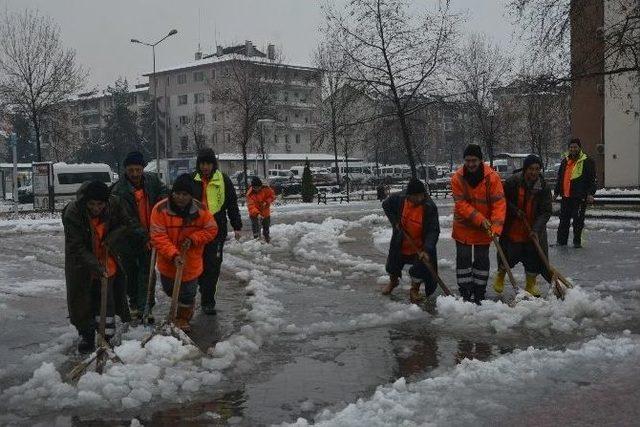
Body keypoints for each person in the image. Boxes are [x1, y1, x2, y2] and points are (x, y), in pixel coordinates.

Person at [62, 181, 132, 353]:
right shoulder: (73, 212)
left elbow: (126, 223)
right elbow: (76, 246)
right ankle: (87, 336)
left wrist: (111, 238)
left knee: (106, 299)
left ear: (106, 202)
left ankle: (107, 337)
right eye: (91, 204)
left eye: (100, 204)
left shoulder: (114, 204)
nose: (95, 208)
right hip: (81, 264)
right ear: (85, 201)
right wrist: (95, 266)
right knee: (82, 301)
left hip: (107, 258)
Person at [149, 174, 218, 332]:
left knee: (187, 293)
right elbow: (158, 236)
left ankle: (182, 318)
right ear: (172, 193)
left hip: (191, 261)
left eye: (185, 194)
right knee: (170, 289)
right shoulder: (160, 209)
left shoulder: (200, 210)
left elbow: (211, 229)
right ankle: (180, 308)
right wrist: (173, 254)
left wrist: (194, 239)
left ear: (191, 196)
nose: (180, 197)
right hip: (168, 261)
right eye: (177, 193)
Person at [110, 151, 168, 322]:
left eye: (138, 169)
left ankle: (146, 308)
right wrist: (146, 236)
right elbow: (128, 221)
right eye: (131, 170)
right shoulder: (118, 190)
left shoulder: (151, 180)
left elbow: (164, 191)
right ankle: (134, 305)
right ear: (125, 170)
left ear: (143, 168)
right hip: (127, 238)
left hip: (149, 235)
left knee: (147, 273)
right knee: (130, 273)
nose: (135, 174)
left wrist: (161, 203)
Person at [451, 144, 506, 304]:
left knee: (482, 260)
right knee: (463, 259)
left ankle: (479, 291)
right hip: (464, 226)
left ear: (481, 160)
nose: (471, 164)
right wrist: (481, 220)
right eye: (467, 160)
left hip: (486, 228)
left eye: (474, 160)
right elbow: (460, 205)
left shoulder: (492, 177)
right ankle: (465, 291)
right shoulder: (457, 178)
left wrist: (496, 228)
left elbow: (499, 204)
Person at [493, 155, 552, 298]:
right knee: (509, 255)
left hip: (532, 229)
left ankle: (530, 284)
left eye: (537, 169)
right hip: (514, 228)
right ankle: (501, 275)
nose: (534, 172)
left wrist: (536, 230)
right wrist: (514, 210)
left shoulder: (543, 186)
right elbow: (502, 200)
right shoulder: (513, 182)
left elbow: (546, 211)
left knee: (532, 257)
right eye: (531, 169)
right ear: (525, 169)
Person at [192, 148, 242, 315]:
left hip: (216, 230)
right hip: (196, 231)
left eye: (208, 163)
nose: (205, 167)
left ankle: (208, 300)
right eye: (202, 163)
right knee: (198, 265)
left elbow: (232, 204)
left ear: (213, 164)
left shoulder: (223, 180)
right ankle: (202, 287)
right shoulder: (192, 180)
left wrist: (237, 225)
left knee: (213, 266)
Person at [381, 178, 440, 303]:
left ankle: (414, 290)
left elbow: (433, 231)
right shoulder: (399, 199)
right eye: (415, 196)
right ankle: (393, 282)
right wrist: (395, 221)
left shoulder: (429, 206)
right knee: (393, 264)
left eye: (421, 195)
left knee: (420, 268)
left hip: (420, 245)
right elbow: (385, 205)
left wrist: (427, 249)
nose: (419, 199)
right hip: (401, 240)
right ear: (408, 195)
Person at [554, 138, 597, 248]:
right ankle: (561, 242)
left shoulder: (587, 161)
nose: (573, 149)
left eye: (575, 147)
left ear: (579, 148)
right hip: (566, 197)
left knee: (578, 221)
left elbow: (593, 179)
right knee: (563, 220)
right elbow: (560, 178)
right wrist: (556, 192)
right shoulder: (565, 161)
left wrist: (590, 193)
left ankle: (577, 242)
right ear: (569, 148)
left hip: (579, 198)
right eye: (571, 147)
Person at [247, 177, 276, 242]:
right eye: (254, 188)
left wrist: (266, 201)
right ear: (252, 187)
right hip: (254, 214)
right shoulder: (250, 194)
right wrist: (257, 214)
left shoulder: (266, 189)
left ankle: (266, 238)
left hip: (265, 212)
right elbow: (251, 206)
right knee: (255, 227)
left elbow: (272, 196)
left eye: (258, 187)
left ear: (261, 186)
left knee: (266, 227)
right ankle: (256, 239)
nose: (256, 189)